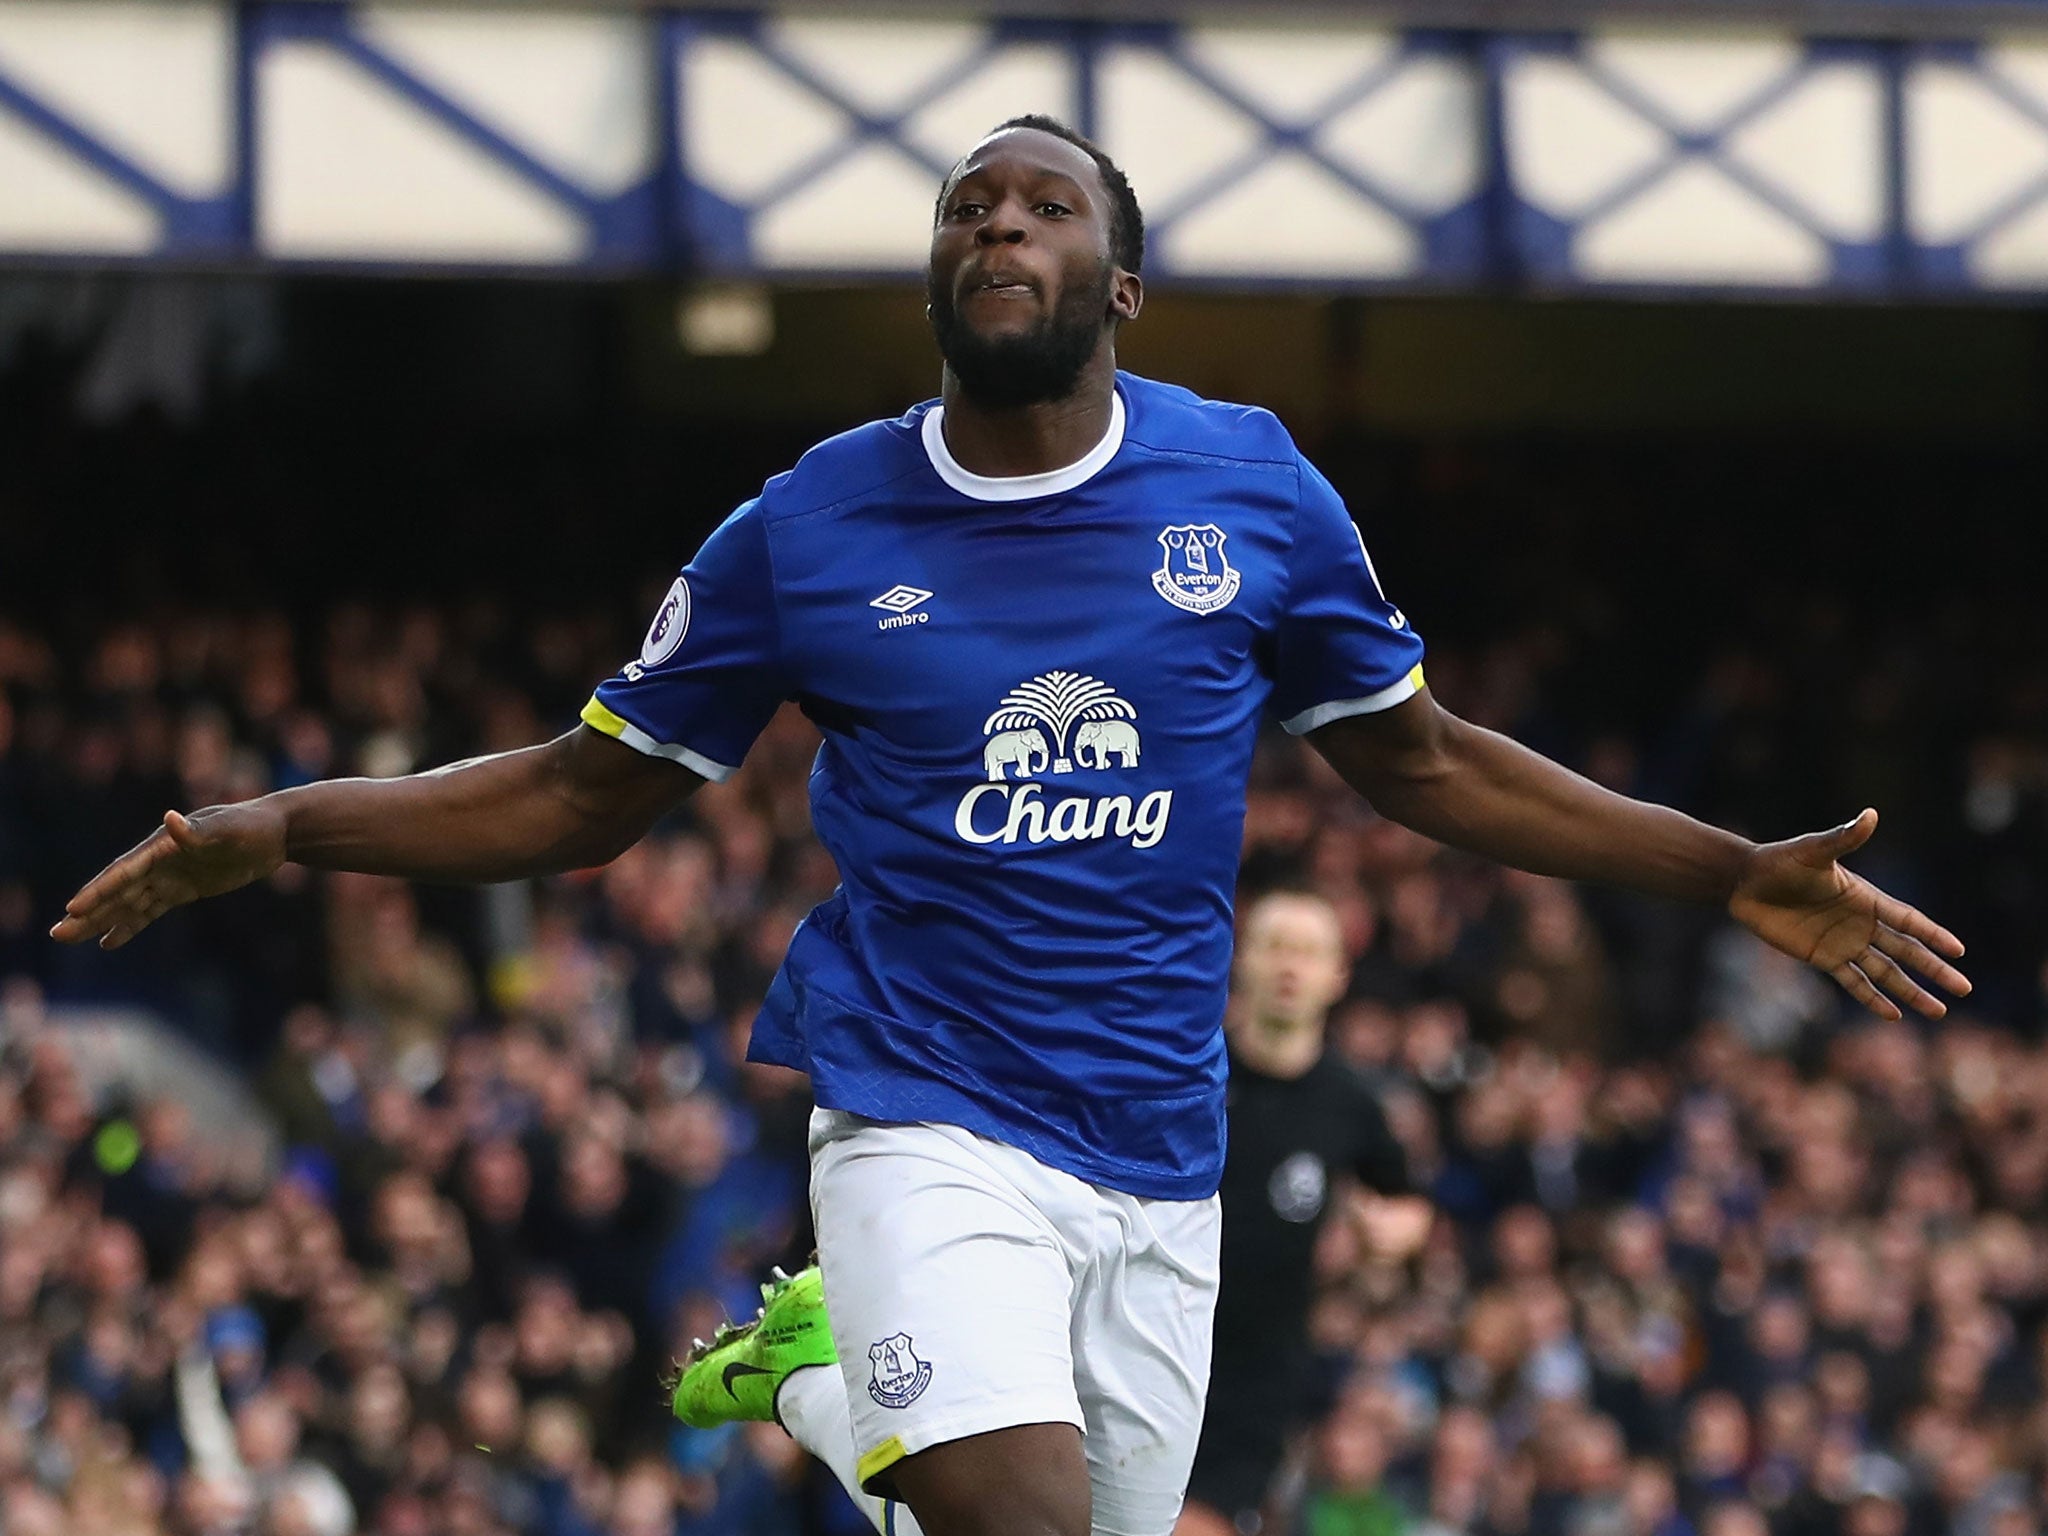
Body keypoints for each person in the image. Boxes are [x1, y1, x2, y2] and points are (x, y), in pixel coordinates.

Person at [53, 114, 1970, 1536]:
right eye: (968, 203)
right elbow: (578, 796)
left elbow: (1430, 760)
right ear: (938, 279)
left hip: (1157, 1150)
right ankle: (852, 1338)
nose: (997, 220)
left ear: (1116, 284)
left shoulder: (1252, 492)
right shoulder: (809, 526)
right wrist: (285, 827)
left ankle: (818, 1374)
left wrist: (1725, 871)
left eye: (1043, 203)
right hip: (919, 1111)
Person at [1178, 890, 1433, 1536]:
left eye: (1310, 951)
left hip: (1255, 1375)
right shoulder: (1187, 1074)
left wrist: (1395, 1232)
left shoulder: (1352, 1106)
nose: (1291, 965)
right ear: (1242, 960)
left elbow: (1408, 1204)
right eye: (1276, 946)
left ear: (1337, 975)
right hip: (1150, 1332)